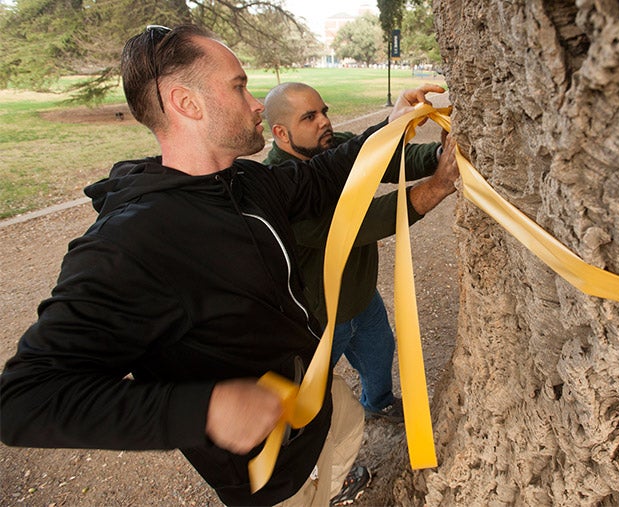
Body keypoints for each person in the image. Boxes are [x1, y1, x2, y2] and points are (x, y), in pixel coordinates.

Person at [0, 24, 445, 507]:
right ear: (186, 103)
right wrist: (206, 408)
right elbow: (24, 399)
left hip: (313, 402)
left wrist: (393, 126)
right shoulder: (130, 244)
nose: (256, 104)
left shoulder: (247, 180)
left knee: (343, 433)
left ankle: (333, 485)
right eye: (238, 86)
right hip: (262, 476)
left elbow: (325, 173)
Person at [262, 82, 458, 423]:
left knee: (379, 352)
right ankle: (325, 468)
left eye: (324, 111)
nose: (324, 121)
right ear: (281, 132)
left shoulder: (333, 148)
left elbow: (389, 158)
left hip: (362, 297)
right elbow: (359, 223)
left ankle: (377, 402)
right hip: (318, 319)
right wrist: (438, 185)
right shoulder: (277, 189)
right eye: (309, 117)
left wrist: (438, 157)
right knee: (310, 395)